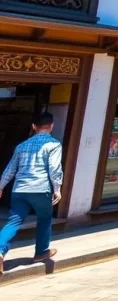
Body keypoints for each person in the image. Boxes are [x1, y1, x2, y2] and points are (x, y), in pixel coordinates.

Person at [0, 112, 62, 273]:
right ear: (51, 126)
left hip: (19, 189)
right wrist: (57, 189)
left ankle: (0, 251)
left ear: (33, 127)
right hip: (41, 189)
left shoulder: (21, 146)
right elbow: (54, 169)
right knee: (44, 219)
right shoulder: (54, 145)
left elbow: (10, 169)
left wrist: (0, 186)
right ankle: (41, 253)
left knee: (14, 221)